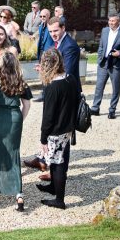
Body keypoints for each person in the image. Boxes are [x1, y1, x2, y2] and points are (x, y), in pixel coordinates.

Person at [0, 52, 32, 212]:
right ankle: (19, 195)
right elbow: (26, 105)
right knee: (13, 154)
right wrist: (20, 120)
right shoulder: (20, 81)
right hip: (14, 117)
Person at [36, 48, 80, 209]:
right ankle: (54, 187)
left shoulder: (52, 87)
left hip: (56, 130)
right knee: (59, 159)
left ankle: (59, 200)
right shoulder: (70, 78)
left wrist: (43, 138)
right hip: (68, 127)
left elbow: (48, 116)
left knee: (58, 163)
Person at [91, 14, 120, 119]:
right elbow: (101, 45)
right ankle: (95, 108)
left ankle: (112, 110)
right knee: (99, 86)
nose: (110, 22)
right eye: (109, 20)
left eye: (113, 21)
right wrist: (100, 57)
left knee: (115, 88)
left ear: (119, 22)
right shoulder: (105, 30)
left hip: (116, 63)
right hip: (103, 63)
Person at [47, 17, 81, 92]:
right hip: (59, 88)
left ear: (63, 28)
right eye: (50, 31)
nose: (53, 34)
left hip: (68, 90)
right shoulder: (56, 42)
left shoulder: (70, 46)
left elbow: (67, 72)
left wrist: (48, 71)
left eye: (55, 31)